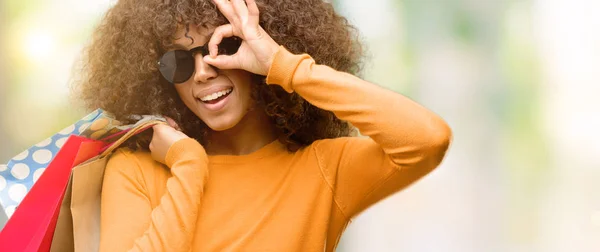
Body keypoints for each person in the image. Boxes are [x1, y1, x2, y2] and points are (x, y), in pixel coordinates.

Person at [72, 0, 452, 251]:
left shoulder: (322, 170)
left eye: (223, 47)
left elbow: (427, 139)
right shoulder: (139, 170)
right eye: (178, 62)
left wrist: (281, 65)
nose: (203, 71)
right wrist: (188, 164)